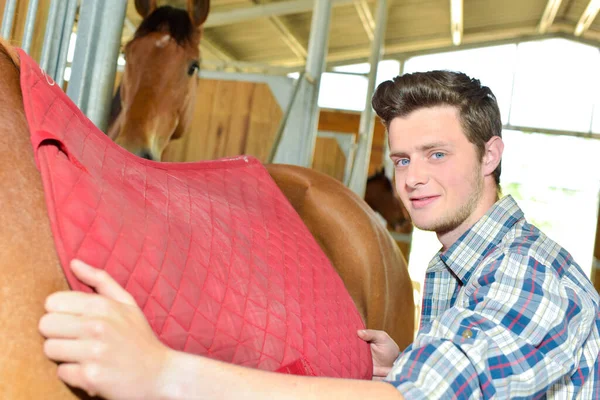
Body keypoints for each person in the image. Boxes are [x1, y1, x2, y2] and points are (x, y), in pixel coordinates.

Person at [39, 70, 600, 399]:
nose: (415, 179)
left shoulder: (531, 272)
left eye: (437, 154)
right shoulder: (459, 264)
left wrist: (160, 371)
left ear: (490, 155)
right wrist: (412, 359)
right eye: (402, 160)